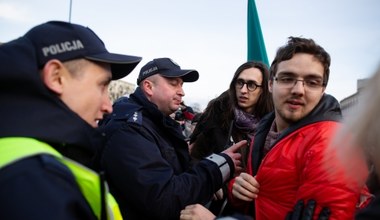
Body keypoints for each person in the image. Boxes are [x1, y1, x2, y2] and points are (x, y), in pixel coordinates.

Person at [181, 37, 365, 219]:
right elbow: (257, 202)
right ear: (271, 84)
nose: (298, 90)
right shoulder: (265, 130)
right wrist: (236, 190)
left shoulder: (332, 146)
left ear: (323, 89)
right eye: (287, 78)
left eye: (312, 82)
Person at [0, 21, 142, 219]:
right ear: (57, 77)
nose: (108, 106)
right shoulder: (36, 181)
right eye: (102, 86)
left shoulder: (25, 160)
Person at [98, 57, 247, 220]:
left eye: (181, 85)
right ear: (149, 87)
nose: (182, 92)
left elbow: (176, 173)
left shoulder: (156, 123)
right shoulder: (129, 130)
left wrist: (206, 185)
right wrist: (215, 170)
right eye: (173, 83)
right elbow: (164, 199)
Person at [188, 61, 273, 215]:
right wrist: (209, 180)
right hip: (213, 206)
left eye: (252, 85)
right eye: (240, 83)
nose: (243, 90)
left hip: (252, 208)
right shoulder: (216, 117)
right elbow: (195, 157)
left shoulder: (273, 126)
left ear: (264, 90)